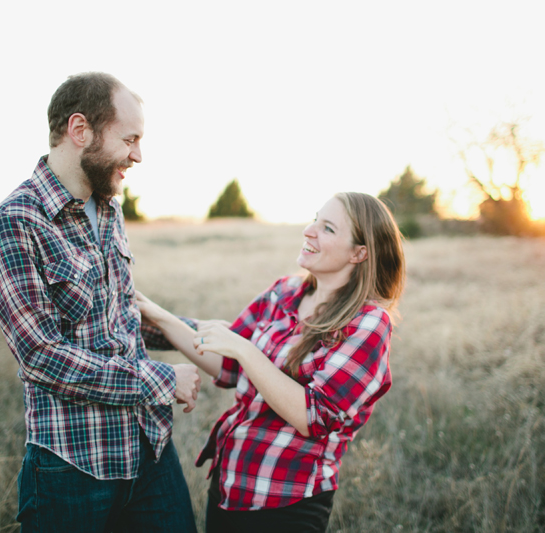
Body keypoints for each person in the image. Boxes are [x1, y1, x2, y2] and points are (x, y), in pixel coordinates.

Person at [0, 72, 201, 532]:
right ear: (80, 131)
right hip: (73, 467)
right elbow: (42, 356)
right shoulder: (16, 222)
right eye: (130, 139)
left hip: (148, 448)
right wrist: (160, 380)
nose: (138, 155)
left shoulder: (109, 206)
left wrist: (200, 334)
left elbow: (115, 320)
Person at [137, 192, 405, 532]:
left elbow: (314, 416)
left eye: (327, 228)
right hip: (229, 484)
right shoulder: (284, 292)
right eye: (314, 219)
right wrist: (153, 313)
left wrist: (246, 350)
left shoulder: (368, 322)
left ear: (359, 253)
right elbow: (228, 364)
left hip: (286, 502)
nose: (309, 231)